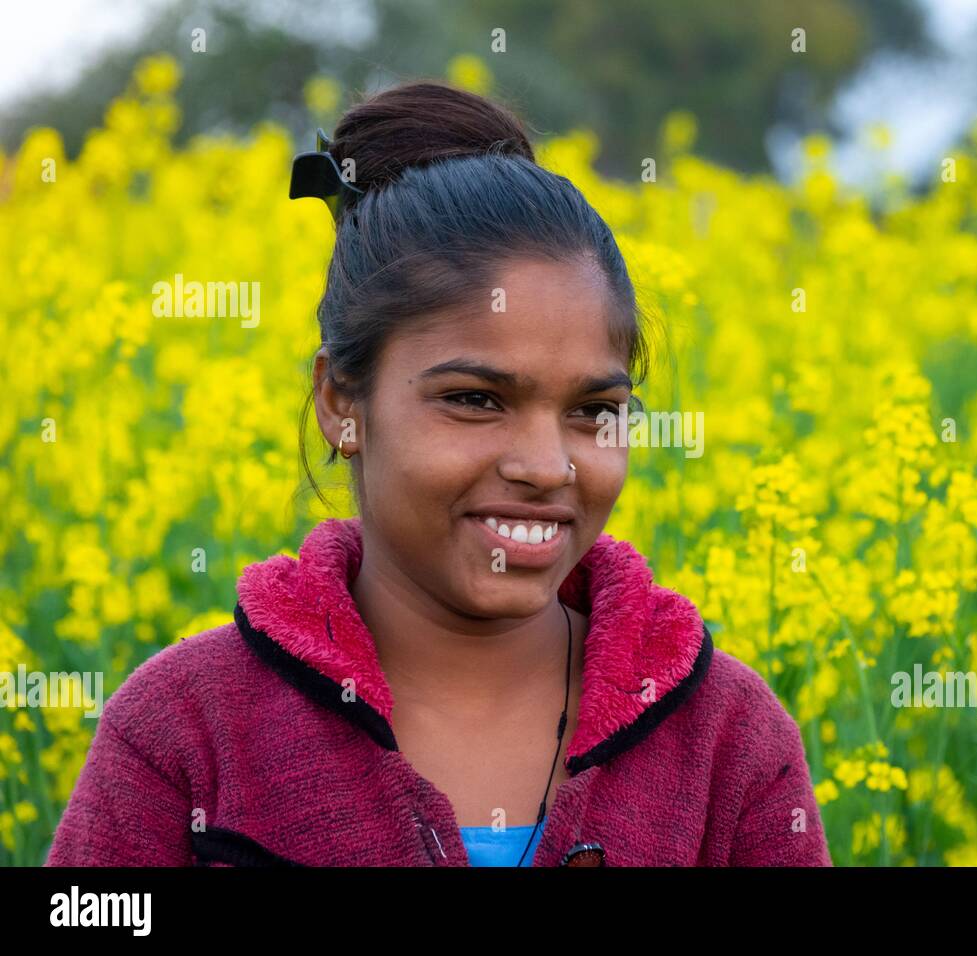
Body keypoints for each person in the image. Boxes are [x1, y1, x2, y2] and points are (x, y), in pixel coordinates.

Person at [44, 79, 832, 867]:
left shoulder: (729, 742)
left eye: (593, 411)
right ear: (339, 402)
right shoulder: (184, 732)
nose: (545, 466)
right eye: (475, 399)